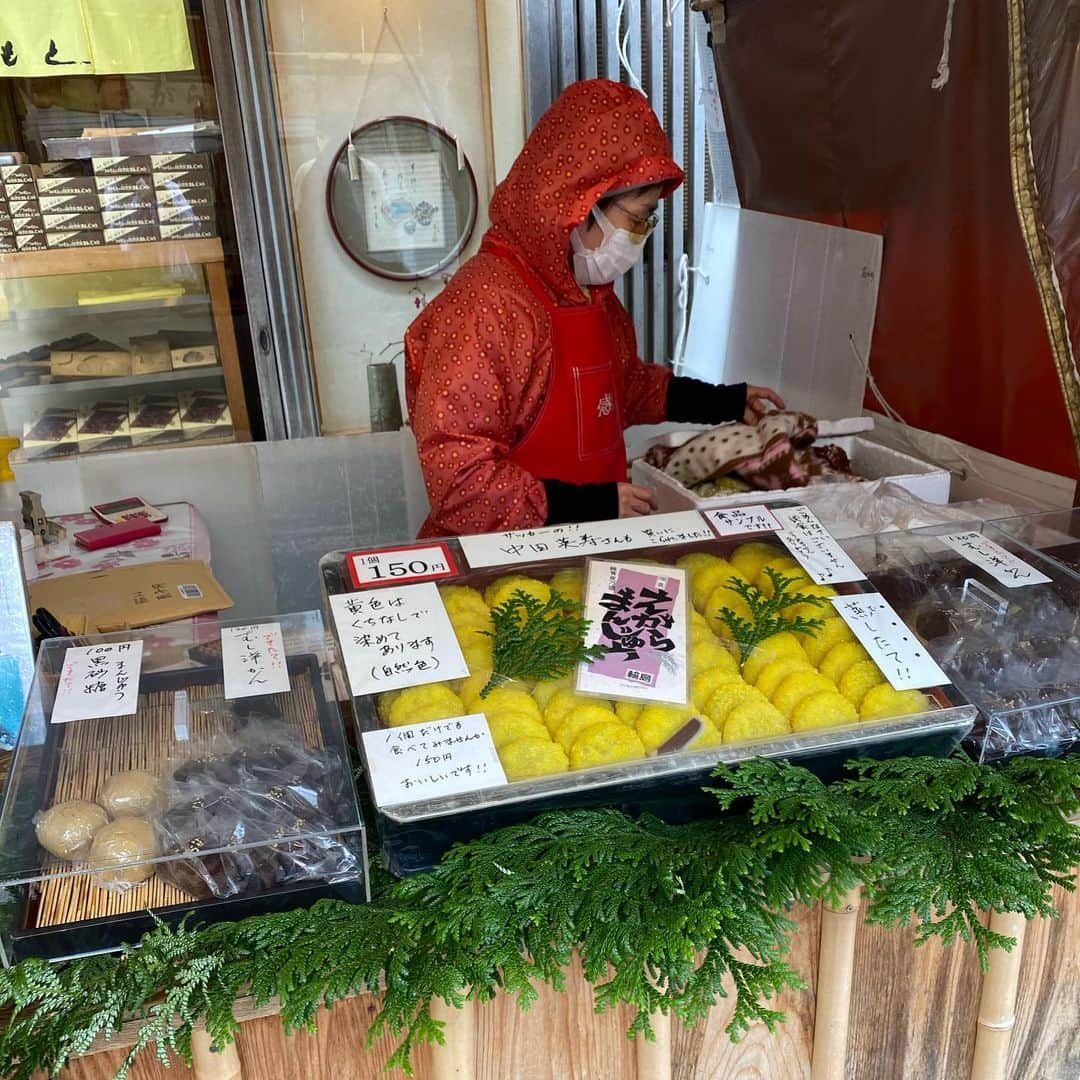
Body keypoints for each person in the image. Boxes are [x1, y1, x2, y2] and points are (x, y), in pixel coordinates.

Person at [405, 79, 783, 537]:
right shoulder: (487, 305)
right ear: (580, 204)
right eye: (638, 218)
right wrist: (589, 503)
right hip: (502, 563)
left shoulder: (589, 290)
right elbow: (456, 474)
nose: (642, 234)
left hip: (583, 545)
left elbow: (622, 388)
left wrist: (728, 401)